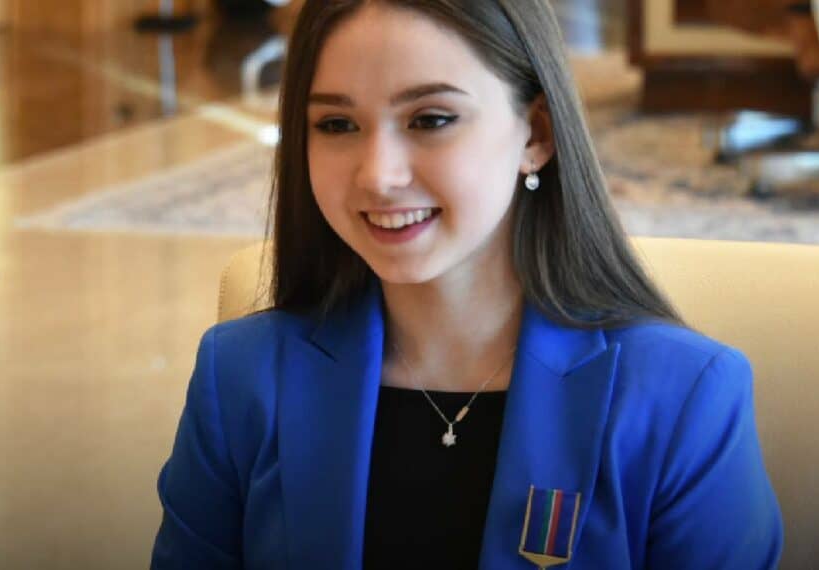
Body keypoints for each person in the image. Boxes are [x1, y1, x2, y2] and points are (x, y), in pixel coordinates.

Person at [151, 0, 783, 568]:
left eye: (430, 119)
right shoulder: (239, 378)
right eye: (337, 125)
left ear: (536, 134)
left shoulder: (682, 398)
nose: (378, 176)